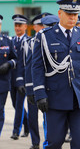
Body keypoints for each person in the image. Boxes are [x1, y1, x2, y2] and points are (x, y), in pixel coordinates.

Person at [31, 0, 80, 149]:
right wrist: (40, 93)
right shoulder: (45, 36)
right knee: (55, 142)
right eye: (69, 14)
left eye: (75, 14)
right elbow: (37, 66)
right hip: (55, 97)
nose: (72, 18)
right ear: (60, 13)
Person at [24, 13, 52, 149]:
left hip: (50, 88)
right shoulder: (31, 43)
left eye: (45, 26)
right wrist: (30, 89)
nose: (43, 28)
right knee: (32, 117)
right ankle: (35, 142)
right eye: (40, 25)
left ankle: (48, 141)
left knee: (48, 118)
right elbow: (29, 67)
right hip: (35, 87)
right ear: (36, 27)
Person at [10, 14, 29, 140]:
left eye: (20, 25)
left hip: (23, 79)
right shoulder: (11, 41)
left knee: (19, 105)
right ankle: (27, 125)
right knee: (15, 105)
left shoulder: (29, 41)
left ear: (25, 26)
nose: (17, 28)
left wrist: (22, 79)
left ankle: (16, 131)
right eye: (16, 25)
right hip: (11, 79)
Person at [0, 15, 17, 136]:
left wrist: (9, 64)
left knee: (0, 111)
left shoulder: (7, 41)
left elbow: (16, 59)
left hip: (2, 83)